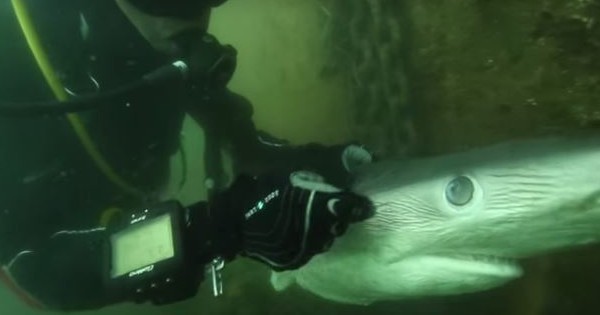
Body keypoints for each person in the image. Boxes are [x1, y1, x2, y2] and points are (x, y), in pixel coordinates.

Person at [0, 0, 375, 311]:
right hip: (68, 242)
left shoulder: (160, 35)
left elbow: (231, 130)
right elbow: (28, 269)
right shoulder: (13, 62)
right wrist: (217, 230)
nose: (192, 14)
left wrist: (288, 163)